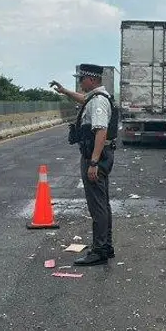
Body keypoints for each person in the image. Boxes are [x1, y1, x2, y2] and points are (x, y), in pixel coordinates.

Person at [50, 64, 116, 266]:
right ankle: (106, 246)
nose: (79, 82)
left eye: (82, 79)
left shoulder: (98, 103)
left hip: (96, 156)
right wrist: (64, 91)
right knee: (102, 203)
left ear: (93, 80)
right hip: (100, 155)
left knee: (97, 205)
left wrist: (93, 162)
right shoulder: (96, 98)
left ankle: (99, 250)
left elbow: (101, 131)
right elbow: (82, 99)